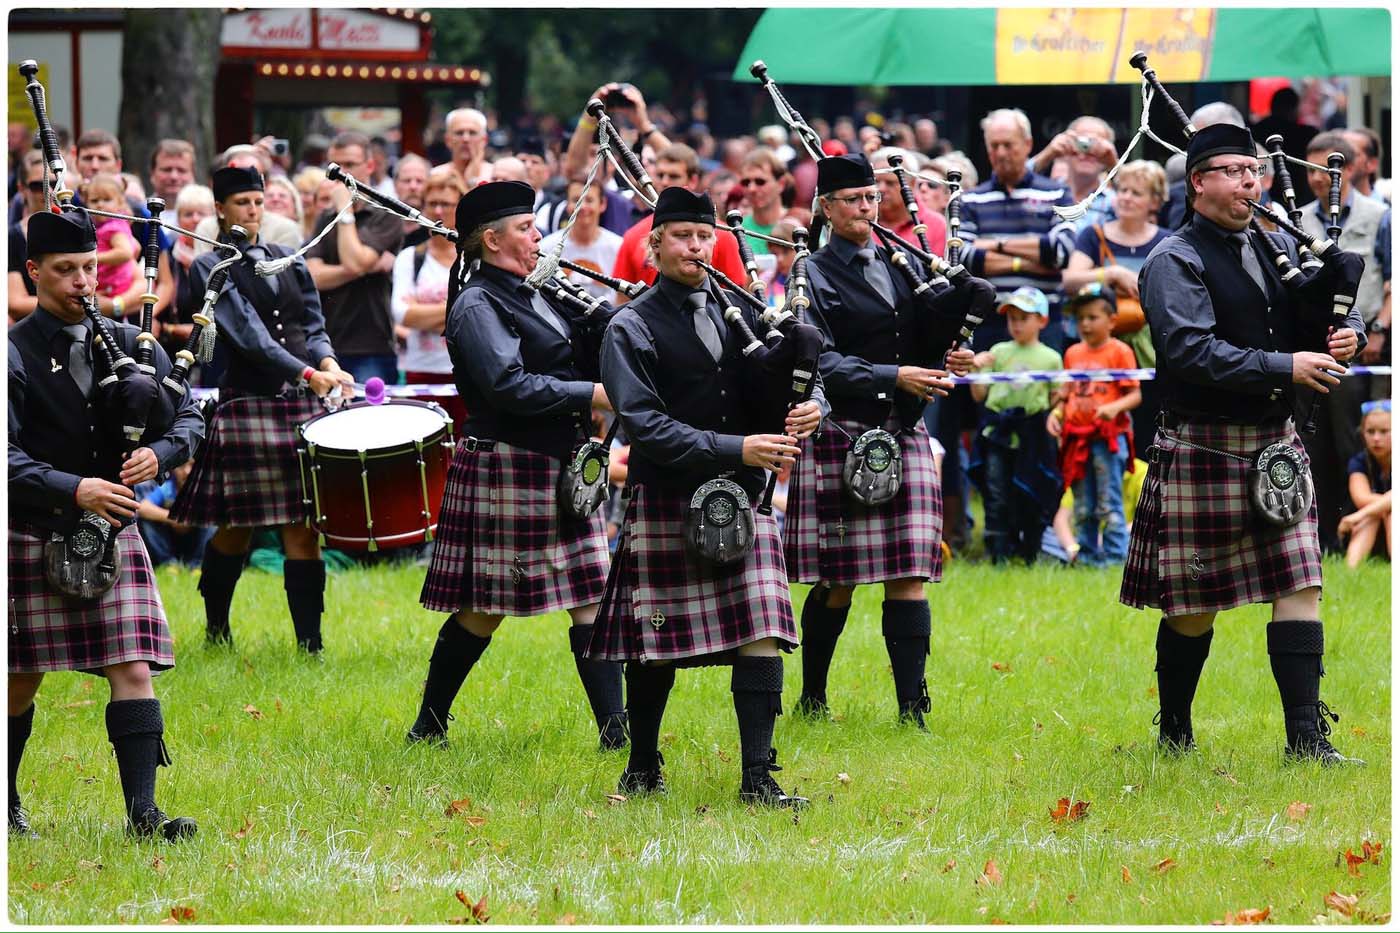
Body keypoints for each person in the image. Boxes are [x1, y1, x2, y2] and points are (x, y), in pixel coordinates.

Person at [1121, 122, 1365, 764]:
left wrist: (1347, 334)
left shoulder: (1273, 243)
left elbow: (1330, 310)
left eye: (1253, 170)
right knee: (1195, 606)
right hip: (1203, 445)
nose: (1249, 182)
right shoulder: (1175, 260)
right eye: (1232, 171)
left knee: (1301, 584)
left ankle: (1307, 742)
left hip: (1275, 443)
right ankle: (1174, 728)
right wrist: (1286, 366)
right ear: (1198, 182)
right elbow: (1189, 350)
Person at [586, 186, 825, 807]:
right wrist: (737, 448)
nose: (698, 247)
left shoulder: (735, 310)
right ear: (653, 245)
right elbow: (644, 424)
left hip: (743, 499)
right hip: (669, 496)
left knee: (763, 630)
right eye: (684, 237)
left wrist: (808, 408)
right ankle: (641, 766)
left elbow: (792, 379)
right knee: (655, 645)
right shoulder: (629, 326)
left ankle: (758, 778)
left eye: (705, 237)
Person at [406, 180, 626, 753]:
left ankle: (616, 732)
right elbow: (507, 385)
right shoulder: (477, 303)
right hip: (508, 464)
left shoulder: (536, 291)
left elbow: (587, 341)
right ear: (492, 238)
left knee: (591, 597)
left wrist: (614, 315)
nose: (539, 237)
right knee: (483, 610)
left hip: (556, 463)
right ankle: (429, 723)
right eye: (528, 229)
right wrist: (592, 395)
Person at [9, 207, 204, 840]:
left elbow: (190, 418)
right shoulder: (13, 354)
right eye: (65, 271)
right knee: (18, 677)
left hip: (112, 533)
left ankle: (143, 816)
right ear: (34, 272)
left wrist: (161, 454)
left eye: (89, 268)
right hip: (33, 528)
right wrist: (76, 488)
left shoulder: (129, 344)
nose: (82, 282)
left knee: (133, 666)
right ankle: (6, 801)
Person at [783, 152, 971, 727]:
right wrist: (896, 376)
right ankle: (813, 694)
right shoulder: (808, 275)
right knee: (838, 580)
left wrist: (946, 357)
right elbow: (823, 361)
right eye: (853, 200)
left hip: (904, 430)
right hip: (844, 429)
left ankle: (913, 708)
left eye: (872, 197)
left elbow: (917, 336)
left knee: (910, 573)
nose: (867, 208)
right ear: (825, 208)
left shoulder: (900, 264)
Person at [168, 166, 352, 653]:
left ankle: (311, 646)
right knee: (237, 529)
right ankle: (216, 629)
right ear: (220, 209)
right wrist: (310, 375)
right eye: (242, 202)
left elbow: (312, 323)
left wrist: (328, 361)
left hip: (297, 408)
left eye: (258, 200)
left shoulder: (286, 258)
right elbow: (247, 336)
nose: (252, 210)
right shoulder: (210, 266)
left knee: (303, 527)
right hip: (247, 405)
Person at [1294, 132, 1392, 550]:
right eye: (1312, 170)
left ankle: (1364, 531)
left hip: (1368, 343)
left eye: (1326, 170)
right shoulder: (1297, 217)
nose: (1318, 179)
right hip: (1315, 345)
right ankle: (1320, 529)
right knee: (1315, 437)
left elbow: (1392, 278)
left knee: (1362, 436)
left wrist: (1379, 329)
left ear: (1348, 169)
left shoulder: (1381, 215)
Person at [1062, 159, 1171, 439]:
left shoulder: (1168, 241)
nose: (1125, 197)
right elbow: (1071, 280)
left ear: (1154, 202)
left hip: (1151, 350)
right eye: (1122, 190)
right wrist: (1112, 273)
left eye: (1136, 192)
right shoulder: (1093, 235)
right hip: (1098, 350)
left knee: (1149, 429)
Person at [1047, 284, 1141, 566]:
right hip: (1077, 440)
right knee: (1083, 501)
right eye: (1080, 318)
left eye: (1092, 317)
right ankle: (1087, 556)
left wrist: (1114, 408)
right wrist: (1056, 414)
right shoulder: (1073, 353)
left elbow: (1135, 394)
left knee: (1108, 498)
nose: (1085, 324)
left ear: (1112, 320)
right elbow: (1065, 395)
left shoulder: (1120, 351)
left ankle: (1115, 557)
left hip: (1107, 438)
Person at [968, 287, 1063, 563]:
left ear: (1042, 321)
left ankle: (1030, 551)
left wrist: (1056, 416)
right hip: (998, 433)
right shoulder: (997, 352)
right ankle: (998, 553)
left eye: (1024, 318)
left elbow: (1056, 398)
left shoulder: (1051, 358)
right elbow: (979, 396)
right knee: (996, 490)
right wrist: (976, 368)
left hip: (1032, 434)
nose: (1017, 324)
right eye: (1012, 318)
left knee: (1030, 489)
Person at [305, 131, 405, 385]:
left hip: (372, 345)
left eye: (349, 165)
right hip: (328, 345)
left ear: (370, 166)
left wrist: (345, 211)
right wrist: (362, 268)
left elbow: (354, 262)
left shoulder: (386, 214)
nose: (340, 174)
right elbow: (313, 276)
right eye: (335, 167)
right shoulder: (325, 217)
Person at [611, 143, 748, 300]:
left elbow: (737, 298)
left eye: (674, 176)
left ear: (693, 180)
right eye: (660, 175)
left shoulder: (722, 236)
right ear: (654, 242)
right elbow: (622, 300)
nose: (665, 182)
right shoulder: (634, 235)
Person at [390, 167, 467, 429]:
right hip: (421, 371)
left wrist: (425, 314)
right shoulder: (410, 258)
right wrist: (457, 313)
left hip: (468, 373)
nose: (437, 212)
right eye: (431, 204)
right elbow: (402, 314)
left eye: (446, 204)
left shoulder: (475, 261)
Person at [537, 177, 623, 302]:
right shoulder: (547, 247)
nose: (582, 206)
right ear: (567, 204)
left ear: (602, 204)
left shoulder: (618, 247)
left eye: (589, 200)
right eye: (576, 200)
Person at [1339, 400, 1391, 567]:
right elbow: (1361, 498)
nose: (1376, 438)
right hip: (1372, 524)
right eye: (1370, 431)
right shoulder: (1360, 461)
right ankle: (1350, 571)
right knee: (1380, 512)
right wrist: (1386, 504)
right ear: (1362, 433)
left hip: (1377, 521)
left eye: (1384, 431)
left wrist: (1357, 516)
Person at [80, 173, 141, 315]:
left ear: (120, 202)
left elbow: (125, 253)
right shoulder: (101, 226)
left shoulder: (114, 227)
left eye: (107, 200)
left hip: (118, 289)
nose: (100, 204)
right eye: (94, 200)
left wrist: (93, 257)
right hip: (107, 288)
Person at [135, 460, 213, 568]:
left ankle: (198, 565)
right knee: (146, 522)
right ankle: (169, 564)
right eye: (181, 466)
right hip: (171, 539)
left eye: (192, 465)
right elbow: (142, 508)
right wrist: (173, 518)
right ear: (173, 469)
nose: (187, 471)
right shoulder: (167, 488)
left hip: (196, 539)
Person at [8, 151, 48, 321]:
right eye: (39, 186)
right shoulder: (12, 237)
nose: (49, 191)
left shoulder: (79, 225)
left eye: (55, 183)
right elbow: (16, 304)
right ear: (22, 189)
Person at [736, 149, 790, 255]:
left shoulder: (798, 224)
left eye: (760, 182)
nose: (751, 189)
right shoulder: (737, 231)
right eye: (746, 182)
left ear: (781, 184)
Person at [148, 140, 196, 227]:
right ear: (152, 173)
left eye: (181, 170)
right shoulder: (137, 212)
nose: (174, 177)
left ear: (192, 174)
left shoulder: (203, 217)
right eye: (167, 169)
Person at [444, 108, 495, 190]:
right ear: (447, 140)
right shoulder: (435, 175)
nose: (466, 139)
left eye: (472, 133)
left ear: (484, 140)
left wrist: (472, 181)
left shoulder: (496, 177)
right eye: (459, 133)